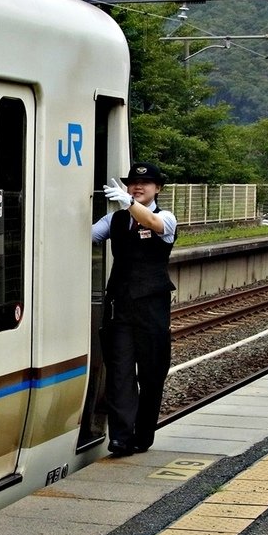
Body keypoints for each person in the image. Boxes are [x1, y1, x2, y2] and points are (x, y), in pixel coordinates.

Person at [91, 162, 178, 457]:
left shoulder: (165, 217)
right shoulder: (115, 219)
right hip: (121, 306)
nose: (138, 187)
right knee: (120, 372)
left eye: (146, 183)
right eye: (133, 183)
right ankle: (120, 437)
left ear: (158, 189)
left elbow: (154, 226)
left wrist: (129, 203)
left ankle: (143, 435)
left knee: (152, 374)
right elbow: (89, 235)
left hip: (152, 307)